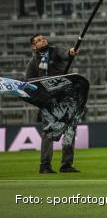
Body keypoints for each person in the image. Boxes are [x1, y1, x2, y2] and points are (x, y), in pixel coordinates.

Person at [26, 34, 80, 173]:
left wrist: (71, 52)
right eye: (38, 40)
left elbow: (66, 54)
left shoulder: (55, 51)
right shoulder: (33, 63)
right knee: (48, 132)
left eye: (43, 38)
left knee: (69, 130)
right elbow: (29, 83)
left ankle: (66, 164)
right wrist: (39, 99)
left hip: (64, 96)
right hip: (48, 100)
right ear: (34, 46)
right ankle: (45, 165)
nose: (42, 40)